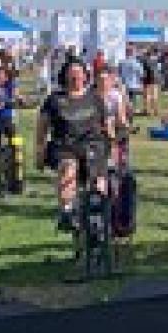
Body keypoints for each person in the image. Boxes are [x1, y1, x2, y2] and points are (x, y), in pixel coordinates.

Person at [35, 58, 115, 232]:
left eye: (79, 74)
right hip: (65, 146)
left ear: (85, 76)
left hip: (93, 145)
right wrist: (39, 153)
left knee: (98, 179)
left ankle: (99, 211)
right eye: (72, 74)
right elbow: (42, 129)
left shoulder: (95, 98)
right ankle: (67, 211)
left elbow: (108, 126)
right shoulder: (54, 99)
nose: (76, 78)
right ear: (65, 76)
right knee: (68, 168)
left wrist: (112, 145)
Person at [119, 47, 145, 117]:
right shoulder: (136, 63)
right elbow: (141, 74)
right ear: (132, 53)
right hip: (135, 84)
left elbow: (119, 73)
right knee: (134, 99)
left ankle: (128, 111)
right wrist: (141, 83)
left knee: (127, 100)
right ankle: (133, 111)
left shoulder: (122, 62)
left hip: (125, 84)